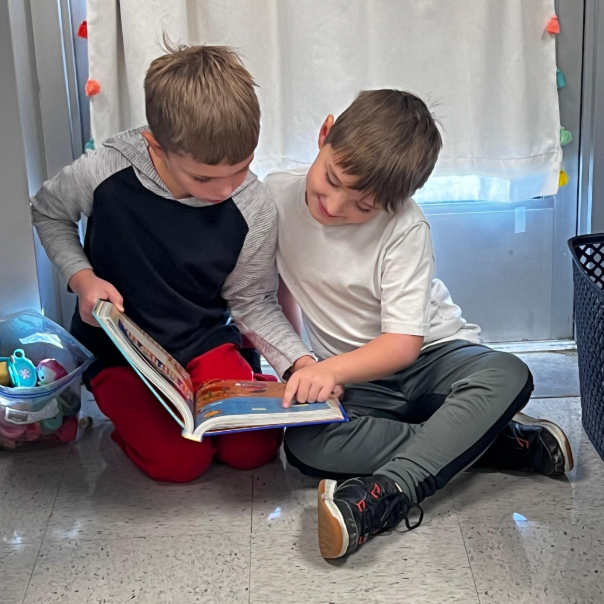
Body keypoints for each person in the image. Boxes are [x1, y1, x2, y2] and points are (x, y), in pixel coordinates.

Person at [265, 89, 574, 559]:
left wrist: (330, 371)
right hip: (356, 378)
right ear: (325, 135)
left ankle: (384, 497)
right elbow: (280, 288)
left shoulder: (406, 226)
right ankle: (483, 444)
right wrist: (300, 366)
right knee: (306, 446)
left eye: (363, 206)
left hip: (433, 359)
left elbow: (404, 345)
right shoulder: (275, 196)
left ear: (396, 200)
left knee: (508, 374)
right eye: (333, 178)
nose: (337, 204)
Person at [31, 43, 318, 482]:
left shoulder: (253, 205)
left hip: (202, 341)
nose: (225, 189)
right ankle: (136, 431)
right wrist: (82, 277)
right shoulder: (105, 169)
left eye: (241, 169)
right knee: (179, 464)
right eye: (204, 177)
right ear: (156, 147)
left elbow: (253, 302)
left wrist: (300, 362)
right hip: (120, 352)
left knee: (254, 448)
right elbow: (49, 211)